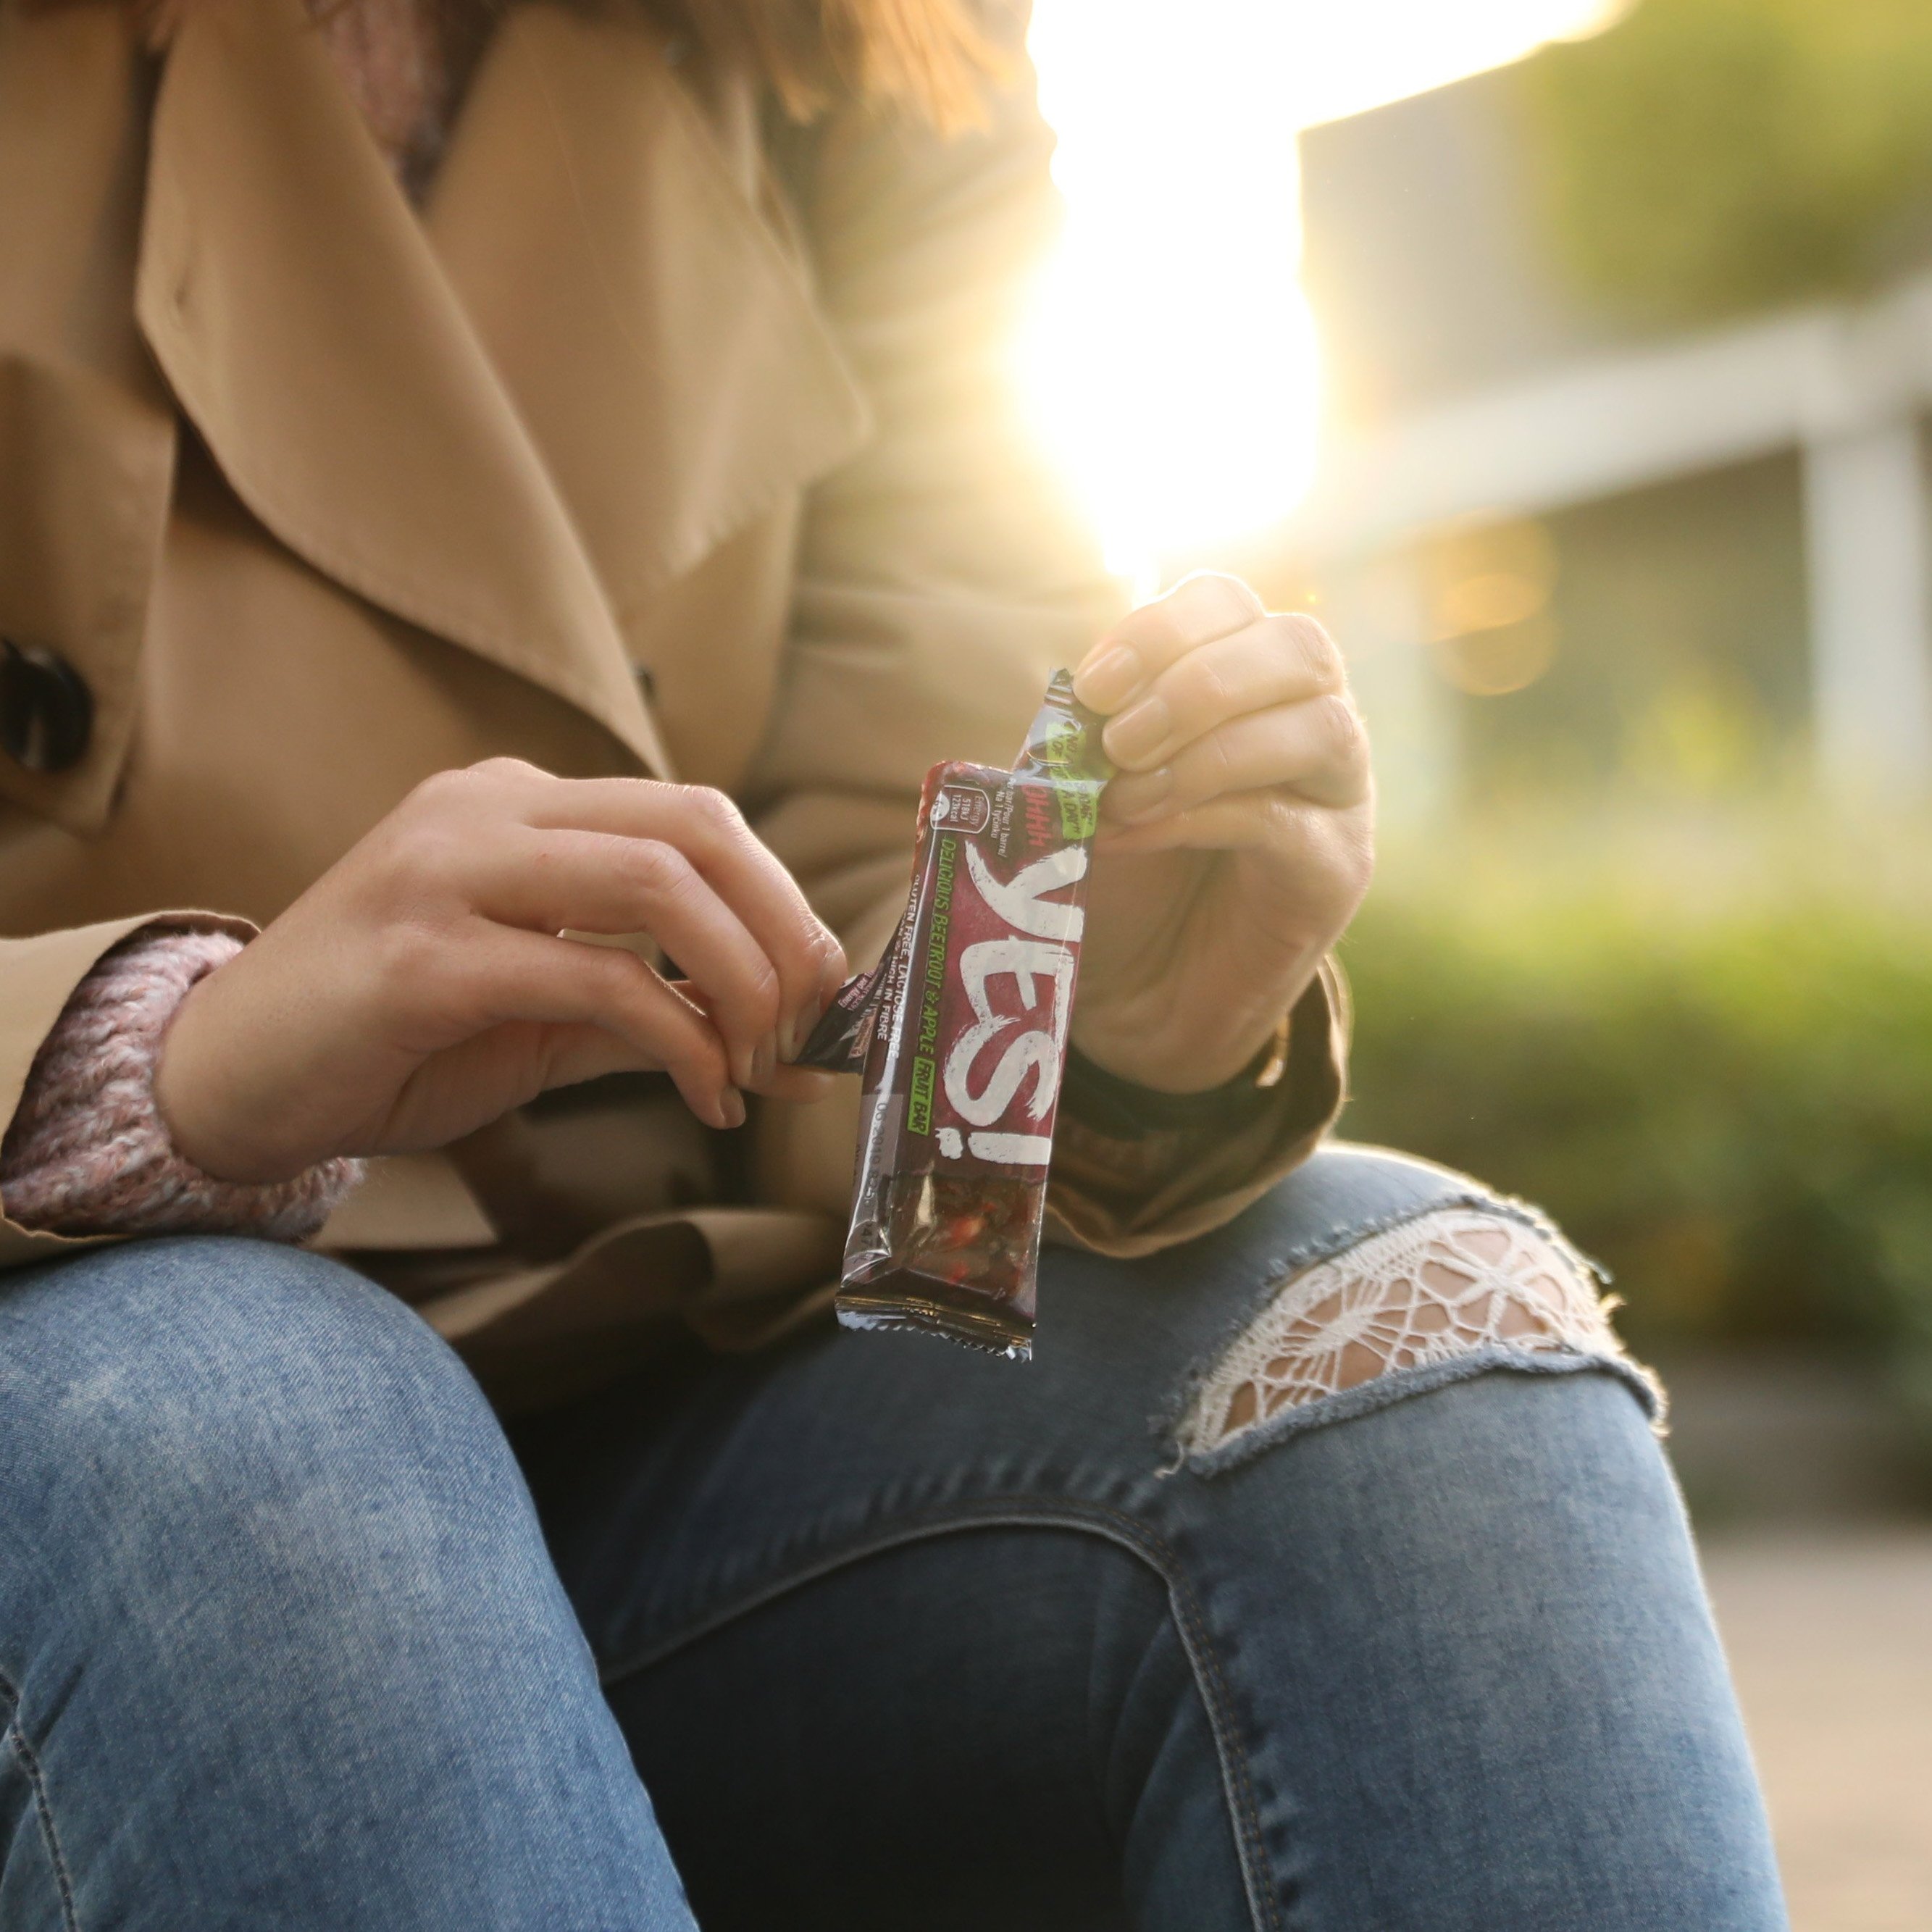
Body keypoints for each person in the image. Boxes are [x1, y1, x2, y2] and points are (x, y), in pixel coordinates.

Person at [0, 0, 1789, 1924]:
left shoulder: (863, 53)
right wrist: (162, 1061)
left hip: (669, 1378)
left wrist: (1086, 1020)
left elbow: (885, 858)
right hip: (107, 1407)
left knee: (1408, 1350)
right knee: (260, 1427)